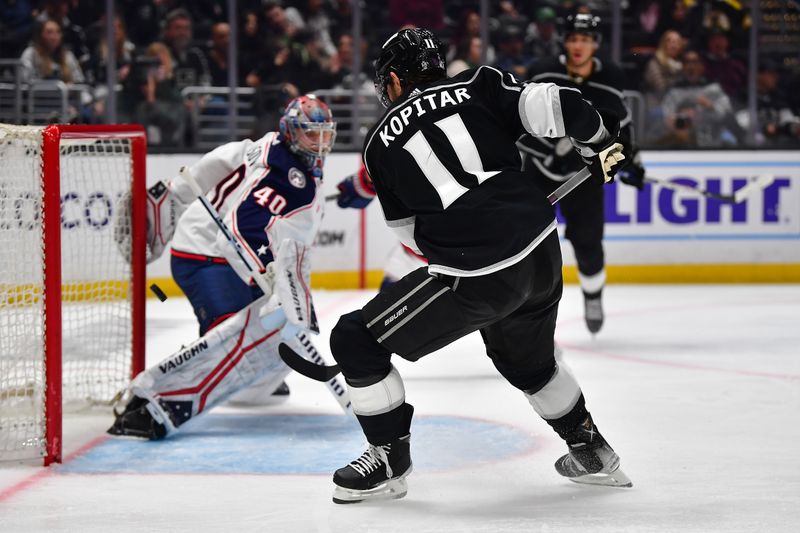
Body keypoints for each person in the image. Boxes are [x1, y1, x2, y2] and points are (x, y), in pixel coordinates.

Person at [325, 27, 631, 504]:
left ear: (398, 81)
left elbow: (408, 234)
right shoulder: (479, 85)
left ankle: (387, 458)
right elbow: (569, 107)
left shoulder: (378, 144)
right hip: (541, 250)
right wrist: (597, 145)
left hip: (478, 274)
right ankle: (590, 450)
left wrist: (463, 254)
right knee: (531, 365)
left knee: (354, 338)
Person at [108, 95, 338, 439]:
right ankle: (154, 403)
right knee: (236, 345)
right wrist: (272, 275)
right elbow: (243, 226)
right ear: (290, 131)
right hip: (208, 257)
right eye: (310, 134)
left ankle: (249, 381)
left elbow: (197, 176)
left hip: (220, 254)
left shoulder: (256, 147)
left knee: (274, 345)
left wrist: (171, 197)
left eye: (324, 134)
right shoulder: (283, 175)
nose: (319, 143)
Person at [517, 13, 645, 335]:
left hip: (584, 178)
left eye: (585, 40)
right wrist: (549, 152)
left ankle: (593, 295)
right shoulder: (542, 71)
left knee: (589, 244)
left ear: (595, 44)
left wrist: (631, 159)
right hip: (538, 176)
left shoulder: (611, 76)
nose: (578, 46)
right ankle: (522, 310)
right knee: (526, 244)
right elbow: (517, 126)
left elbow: (621, 125)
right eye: (573, 39)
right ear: (564, 41)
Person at [335, 162, 428, 290]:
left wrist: (368, 179)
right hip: (412, 256)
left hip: (445, 258)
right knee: (389, 302)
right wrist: (366, 181)